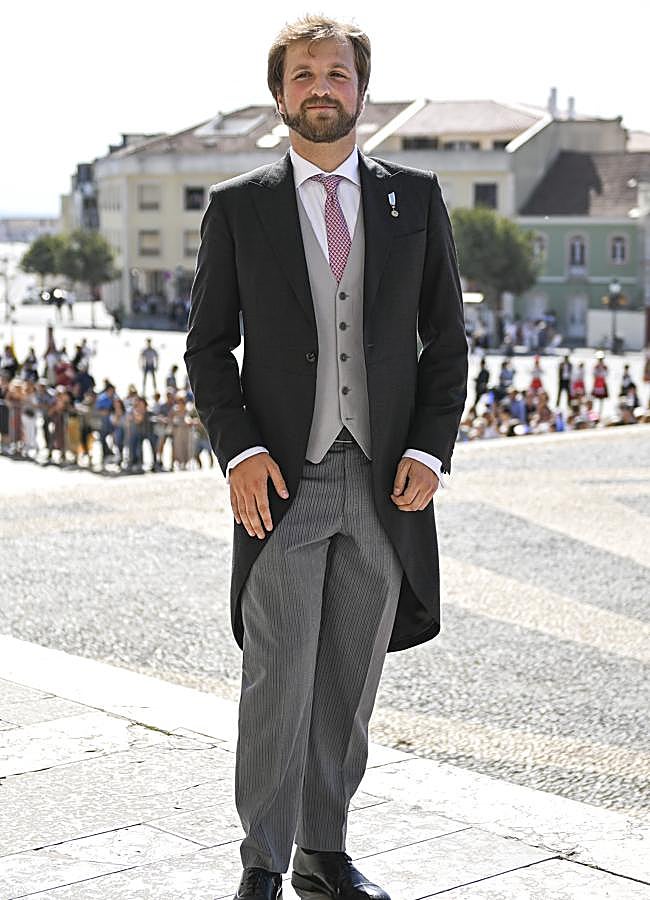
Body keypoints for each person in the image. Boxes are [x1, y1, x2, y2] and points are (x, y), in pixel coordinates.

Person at [184, 16, 468, 900]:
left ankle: (324, 854)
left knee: (348, 682)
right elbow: (206, 350)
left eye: (335, 74)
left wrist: (429, 446)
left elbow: (447, 343)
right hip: (283, 483)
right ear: (280, 96)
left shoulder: (413, 198)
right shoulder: (239, 206)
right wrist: (238, 453)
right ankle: (262, 865)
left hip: (386, 485)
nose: (320, 88)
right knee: (277, 682)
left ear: (360, 89)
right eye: (302, 74)